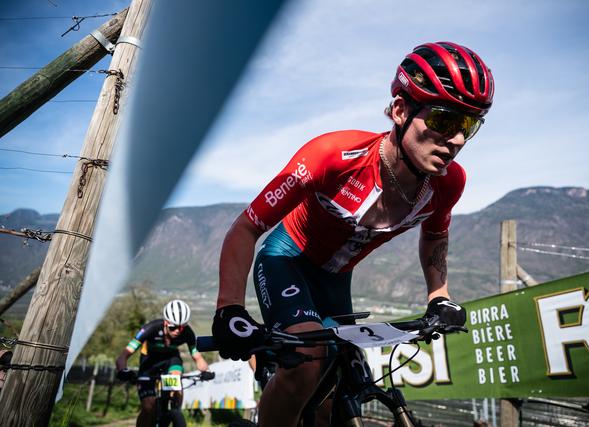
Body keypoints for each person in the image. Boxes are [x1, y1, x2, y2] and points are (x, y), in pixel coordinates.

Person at [212, 41, 494, 426]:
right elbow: (247, 228)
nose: (458, 140)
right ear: (400, 110)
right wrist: (229, 309)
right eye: (445, 121)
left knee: (335, 390)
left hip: (336, 279)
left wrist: (439, 297)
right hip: (287, 259)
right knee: (307, 365)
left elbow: (435, 236)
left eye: (468, 126)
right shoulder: (332, 157)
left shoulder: (448, 184)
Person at [116, 299, 211, 427]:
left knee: (176, 380)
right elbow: (123, 356)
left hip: (170, 360)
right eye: (173, 327)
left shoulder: (187, 332)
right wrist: (123, 370)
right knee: (149, 406)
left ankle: (175, 412)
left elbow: (197, 357)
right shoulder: (151, 328)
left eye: (181, 327)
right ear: (166, 323)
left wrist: (206, 371)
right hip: (149, 362)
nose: (177, 331)